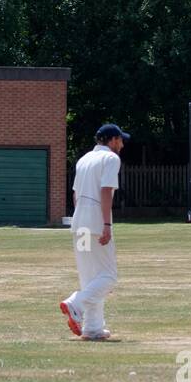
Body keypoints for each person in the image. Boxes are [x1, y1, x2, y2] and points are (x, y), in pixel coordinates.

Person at [60, 123, 128, 341]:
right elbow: (106, 190)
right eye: (120, 140)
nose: (123, 144)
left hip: (78, 222)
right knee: (108, 277)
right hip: (96, 223)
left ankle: (93, 329)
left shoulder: (83, 159)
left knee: (90, 279)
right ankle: (75, 305)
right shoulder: (110, 159)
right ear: (113, 139)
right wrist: (106, 225)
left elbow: (75, 195)